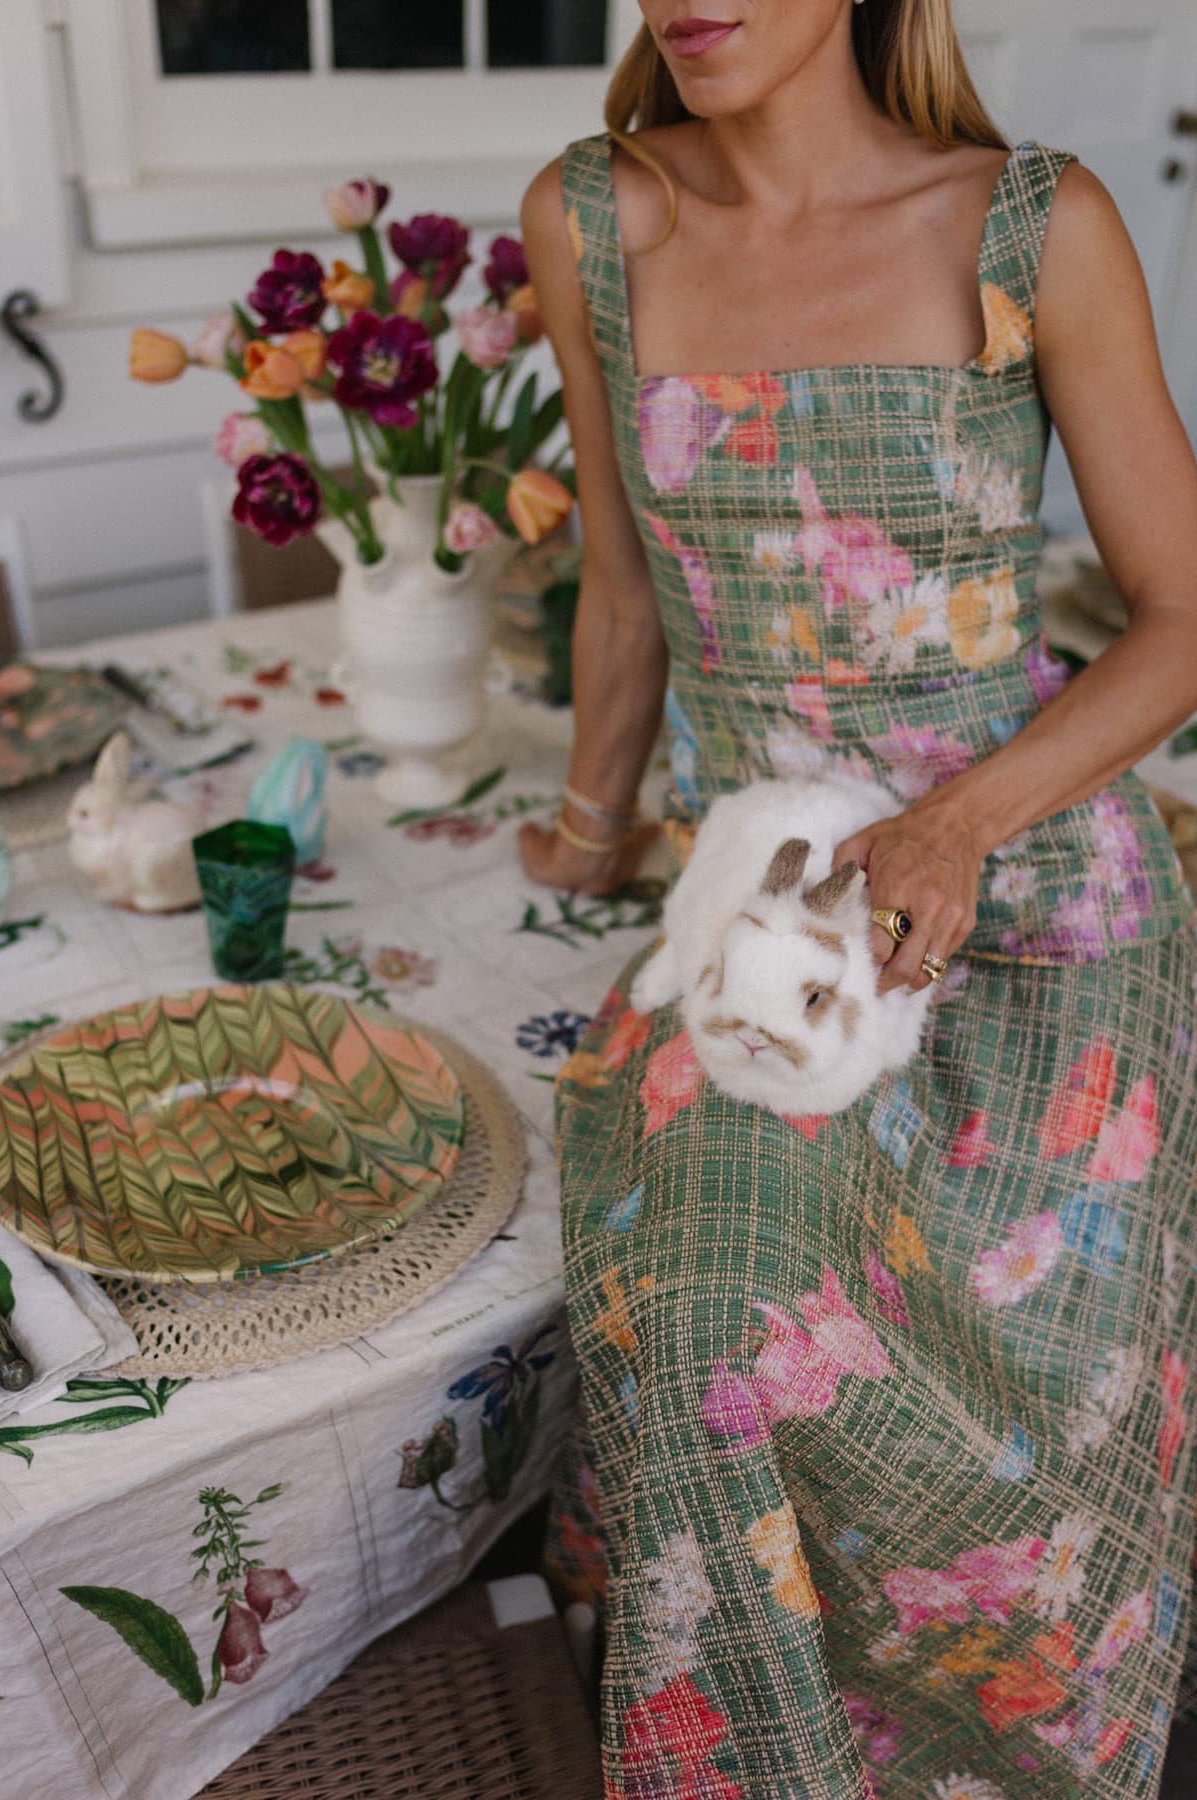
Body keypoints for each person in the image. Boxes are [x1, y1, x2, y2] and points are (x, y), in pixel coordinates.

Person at [518, 4, 1197, 1795]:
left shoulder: (1031, 226)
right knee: (713, 1287)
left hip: (1031, 880)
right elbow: (620, 582)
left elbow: (1183, 620)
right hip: (766, 889)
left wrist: (960, 824)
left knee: (979, 1349)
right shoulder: (592, 217)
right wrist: (591, 834)